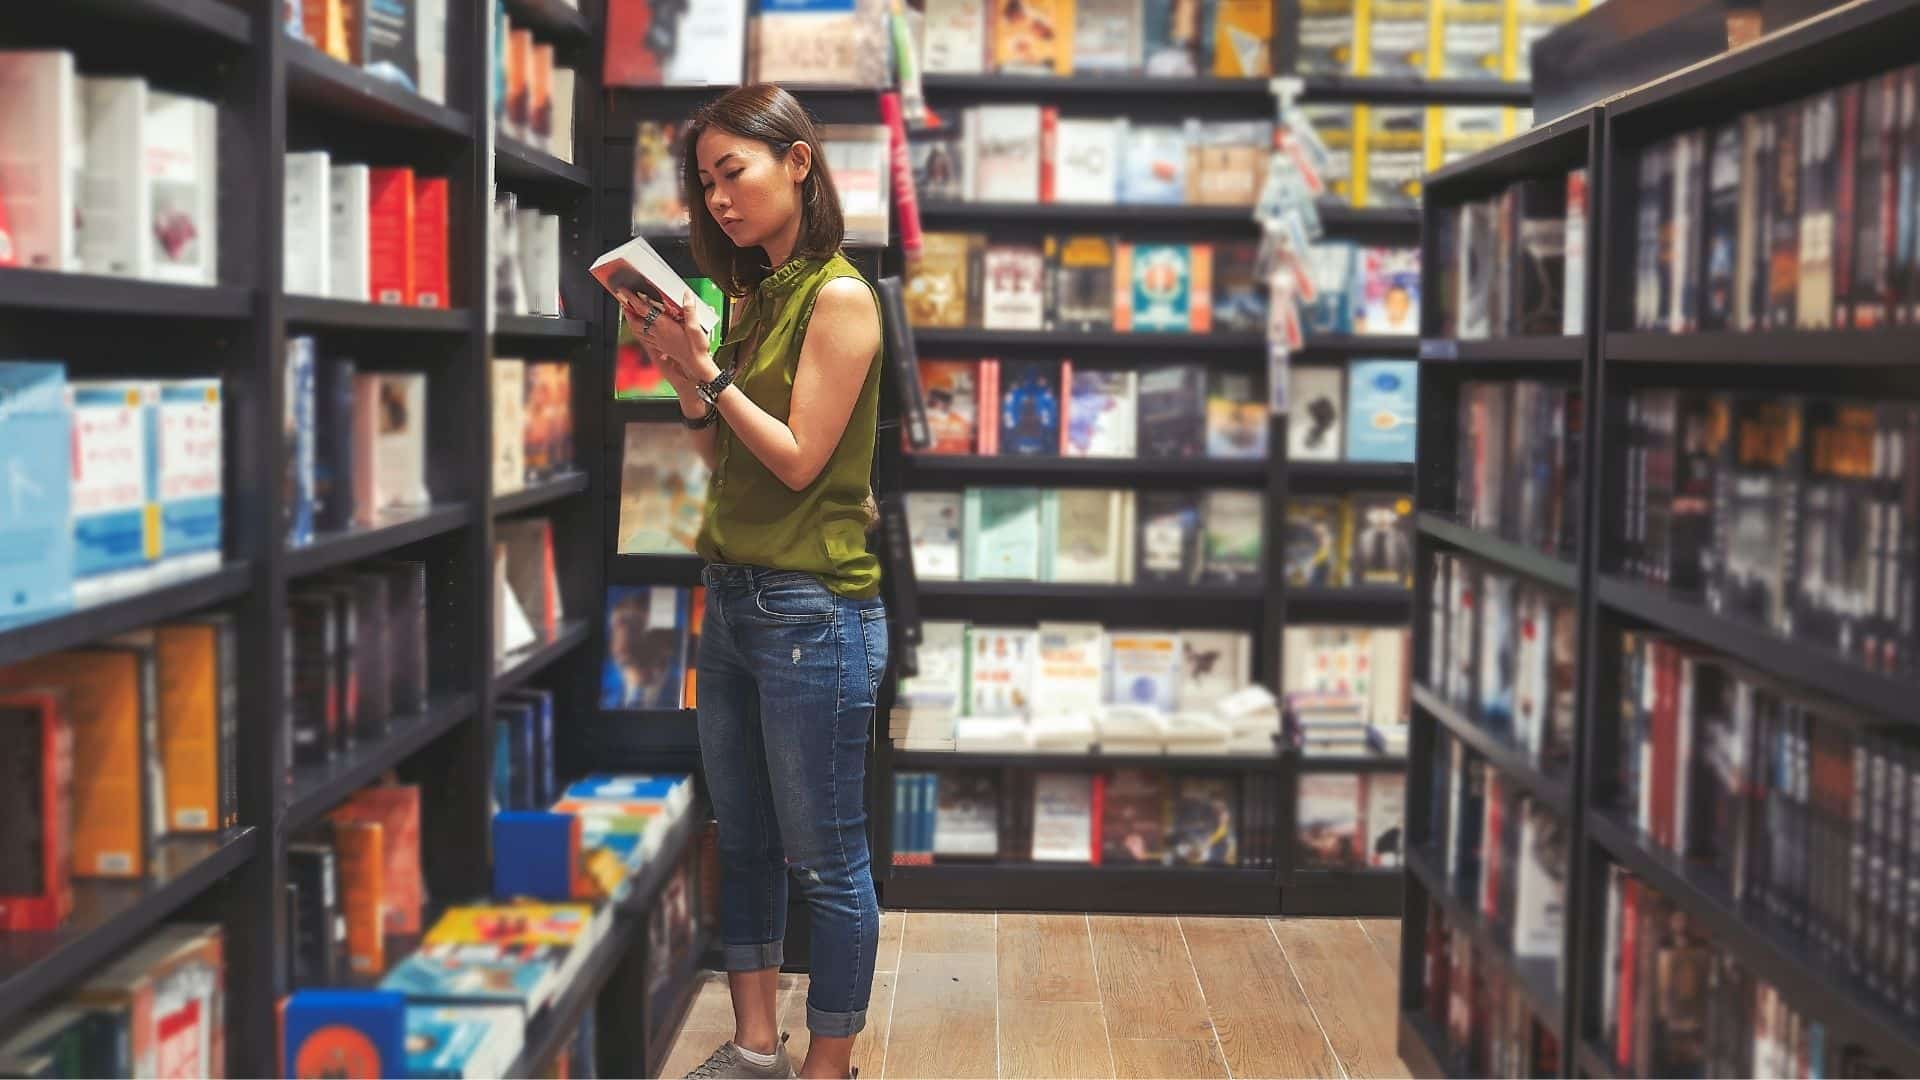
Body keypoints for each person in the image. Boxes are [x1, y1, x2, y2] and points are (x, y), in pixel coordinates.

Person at [610, 83, 886, 1080]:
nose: (719, 199)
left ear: (799, 164)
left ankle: (830, 1064)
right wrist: (680, 362)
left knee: (829, 858)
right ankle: (756, 1045)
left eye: (736, 172)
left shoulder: (841, 297)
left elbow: (800, 460)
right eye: (705, 183)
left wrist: (710, 374)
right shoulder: (755, 293)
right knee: (746, 836)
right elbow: (709, 434)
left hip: (813, 608)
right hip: (733, 597)